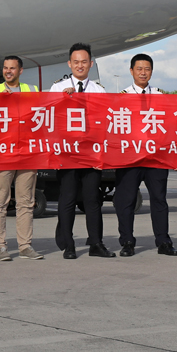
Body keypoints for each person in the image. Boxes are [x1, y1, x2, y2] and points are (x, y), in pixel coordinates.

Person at [47, 43, 113, 259]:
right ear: (69, 64)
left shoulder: (98, 90)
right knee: (67, 199)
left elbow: (105, 121)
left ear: (91, 64)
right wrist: (63, 101)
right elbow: (49, 119)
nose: (80, 66)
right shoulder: (58, 88)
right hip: (67, 153)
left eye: (84, 62)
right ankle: (68, 245)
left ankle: (96, 243)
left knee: (92, 199)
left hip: (91, 153)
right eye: (76, 62)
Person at [112, 54, 177, 257]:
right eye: (139, 68)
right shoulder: (121, 97)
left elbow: (170, 124)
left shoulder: (160, 96)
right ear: (131, 71)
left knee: (159, 199)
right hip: (129, 158)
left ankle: (163, 242)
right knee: (126, 201)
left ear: (151, 71)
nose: (143, 72)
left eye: (147, 69)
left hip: (155, 157)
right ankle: (127, 242)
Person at [0, 55, 42, 261]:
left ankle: (25, 246)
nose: (8, 71)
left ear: (20, 71)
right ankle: (0, 246)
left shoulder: (33, 90)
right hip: (2, 154)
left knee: (26, 202)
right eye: (5, 68)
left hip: (28, 153)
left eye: (12, 68)